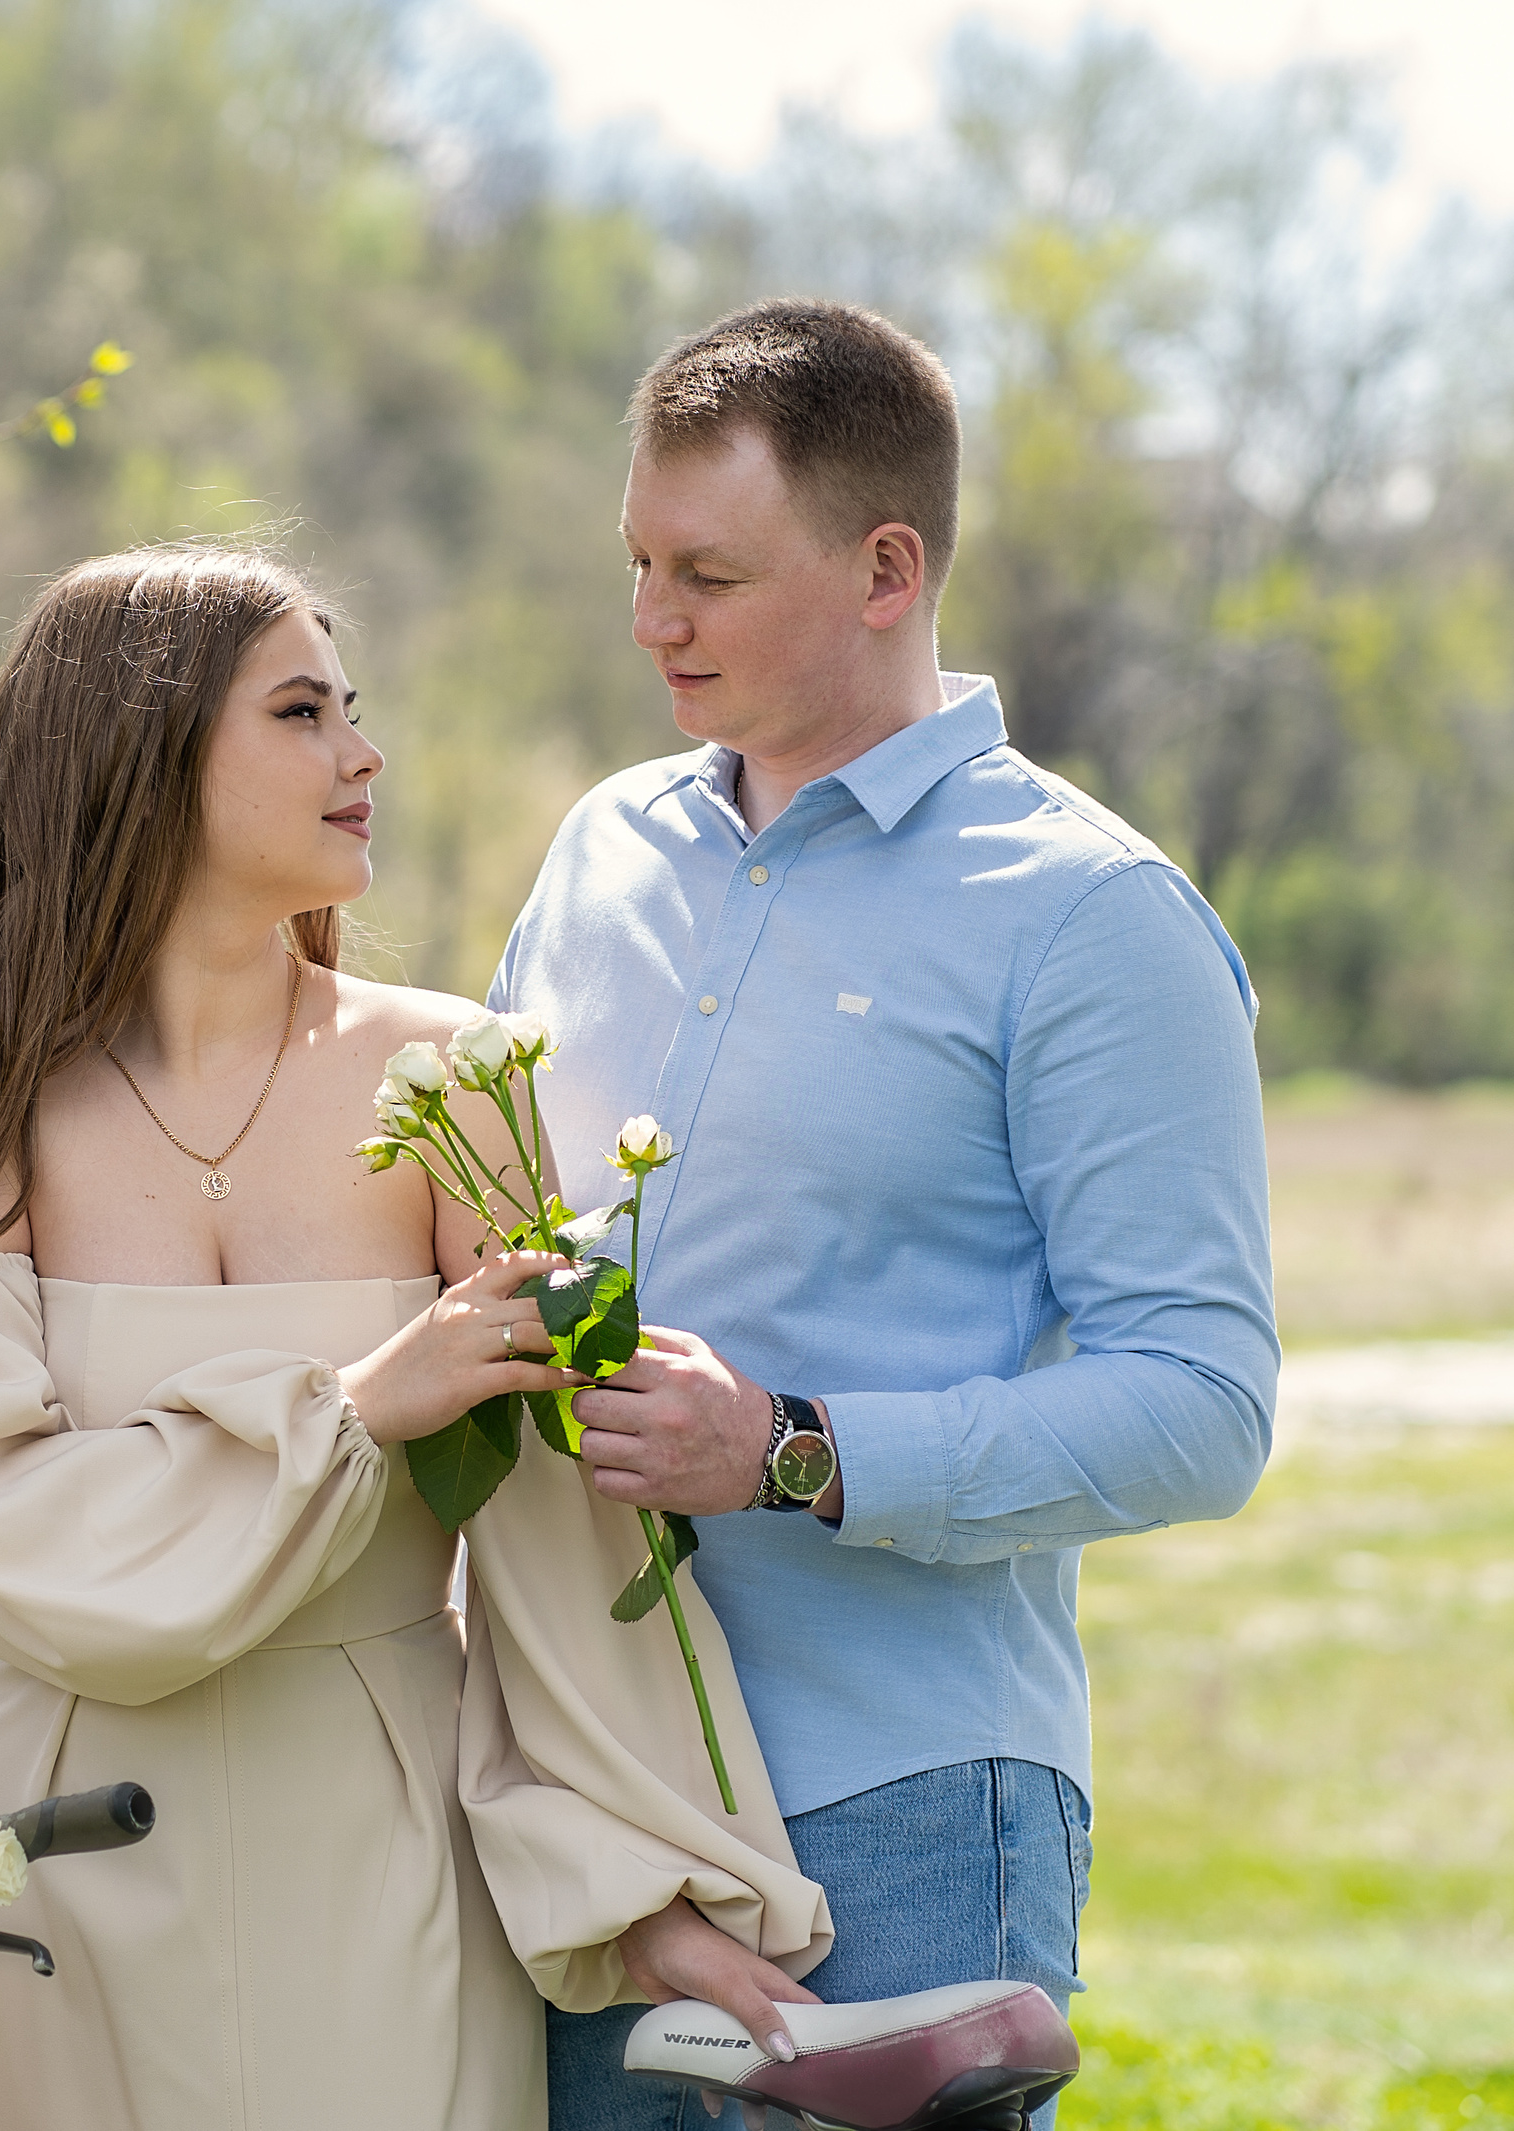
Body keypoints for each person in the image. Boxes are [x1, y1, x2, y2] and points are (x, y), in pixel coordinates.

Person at [0, 546, 828, 2131]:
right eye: (301, 713)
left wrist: (643, 1884)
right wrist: (357, 1408)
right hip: (53, 1845)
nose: (363, 754)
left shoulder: (456, 1079)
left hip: (380, 1830)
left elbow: (557, 1536)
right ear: (141, 756)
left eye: (353, 708)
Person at [462, 300, 1280, 2127]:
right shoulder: (599, 851)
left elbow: (1206, 1403)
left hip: (896, 1808)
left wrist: (791, 1450)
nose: (651, 619)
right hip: (589, 1815)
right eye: (638, 563)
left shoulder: (1091, 918)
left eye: (709, 575)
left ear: (887, 570)